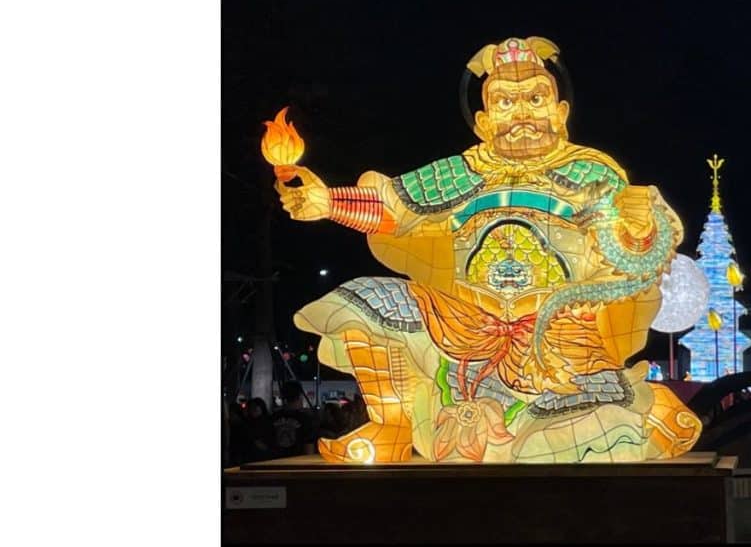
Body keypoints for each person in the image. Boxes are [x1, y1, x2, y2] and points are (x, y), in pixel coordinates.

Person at [274, 36, 701, 463]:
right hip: (464, 324)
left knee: (583, 437)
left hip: (557, 336)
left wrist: (641, 224)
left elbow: (633, 254)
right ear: (482, 121)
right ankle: (394, 426)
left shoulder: (592, 173)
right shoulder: (461, 174)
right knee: (362, 303)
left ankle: (646, 418)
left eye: (535, 98)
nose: (521, 114)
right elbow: (392, 207)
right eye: (504, 101)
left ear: (561, 112)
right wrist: (328, 202)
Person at [271, 381, 315, 457]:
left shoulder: (272, 417)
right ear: (299, 396)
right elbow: (309, 448)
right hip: (297, 463)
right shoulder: (306, 419)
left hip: (275, 462)